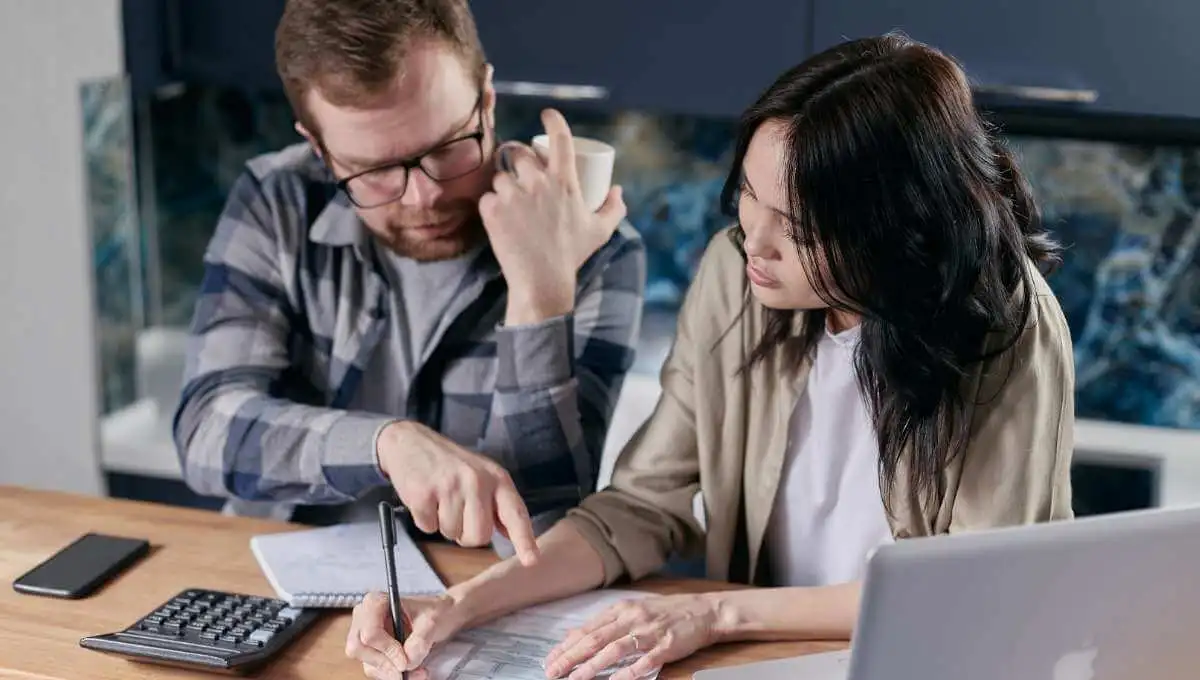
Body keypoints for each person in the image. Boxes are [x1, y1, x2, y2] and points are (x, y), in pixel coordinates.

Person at [344, 32, 1076, 680]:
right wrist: (461, 604)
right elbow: (636, 508)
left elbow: (972, 591)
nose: (752, 241)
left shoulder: (1008, 328)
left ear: (895, 228)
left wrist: (718, 616)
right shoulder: (738, 276)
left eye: (797, 227)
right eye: (749, 197)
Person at [172, 0, 646, 563]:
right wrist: (386, 445)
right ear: (319, 147)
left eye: (447, 149)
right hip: (281, 575)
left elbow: (544, 533)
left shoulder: (595, 248)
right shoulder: (278, 200)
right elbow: (206, 431)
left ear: (487, 98)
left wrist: (539, 297)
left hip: (474, 602)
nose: (425, 198)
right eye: (372, 171)